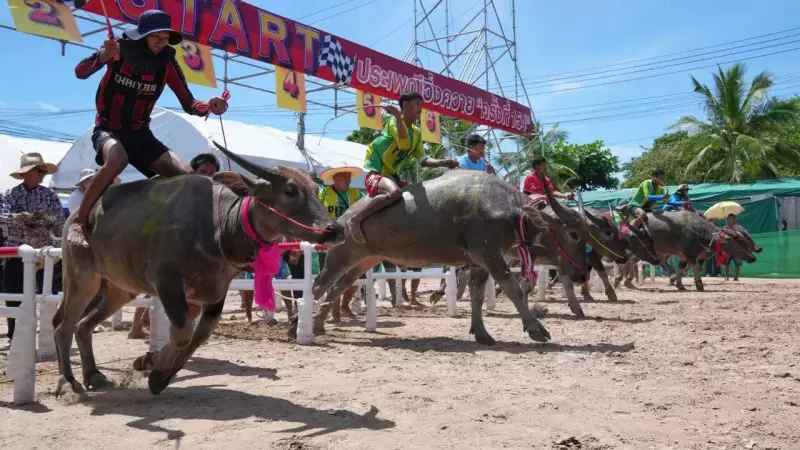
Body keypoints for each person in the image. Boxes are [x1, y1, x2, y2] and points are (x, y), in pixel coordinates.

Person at [67, 9, 229, 248]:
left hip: (141, 134)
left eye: (166, 38)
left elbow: (188, 102)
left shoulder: (167, 64)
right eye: (156, 37)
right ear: (143, 35)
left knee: (186, 175)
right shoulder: (118, 49)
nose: (161, 43)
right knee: (117, 159)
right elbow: (80, 72)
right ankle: (79, 220)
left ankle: (172, 228)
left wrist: (210, 106)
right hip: (108, 129)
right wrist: (102, 55)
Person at [347, 91, 459, 244]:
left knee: (417, 196)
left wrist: (443, 163)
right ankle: (356, 219)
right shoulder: (394, 122)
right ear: (405, 105)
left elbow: (423, 160)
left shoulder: (417, 133)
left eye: (421, 105)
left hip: (393, 177)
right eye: (417, 105)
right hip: (376, 174)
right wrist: (398, 117)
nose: (420, 109)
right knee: (394, 193)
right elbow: (404, 143)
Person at [0, 153, 65, 343]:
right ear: (27, 172)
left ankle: (49, 337)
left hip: (45, 255)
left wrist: (22, 219)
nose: (43, 174)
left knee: (48, 295)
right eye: (39, 170)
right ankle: (15, 336)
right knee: (14, 295)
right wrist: (36, 219)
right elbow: (4, 222)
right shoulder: (7, 195)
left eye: (44, 171)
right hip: (16, 255)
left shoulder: (49, 195)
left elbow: (58, 222)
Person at [317, 163, 364, 321]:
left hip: (351, 242)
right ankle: (335, 312)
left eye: (349, 176)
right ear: (335, 178)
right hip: (330, 241)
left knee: (354, 278)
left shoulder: (356, 194)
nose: (347, 179)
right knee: (331, 278)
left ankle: (345, 306)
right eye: (343, 176)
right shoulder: (323, 193)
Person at [722, 214, 748, 281]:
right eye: (728, 218)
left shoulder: (738, 227)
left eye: (731, 218)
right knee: (726, 264)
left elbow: (742, 237)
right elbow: (722, 236)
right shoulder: (725, 227)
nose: (729, 220)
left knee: (737, 264)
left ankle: (736, 277)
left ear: (734, 220)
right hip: (728, 249)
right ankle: (726, 276)